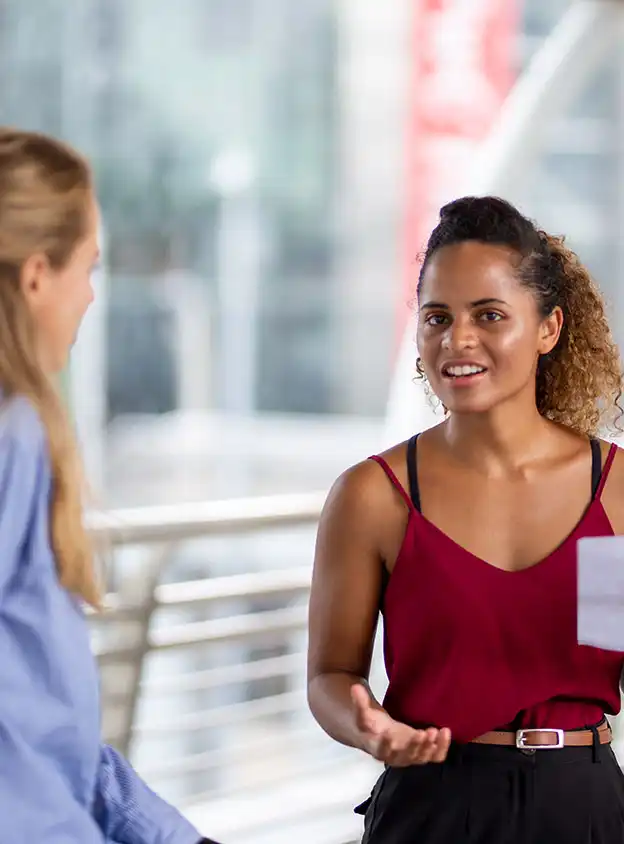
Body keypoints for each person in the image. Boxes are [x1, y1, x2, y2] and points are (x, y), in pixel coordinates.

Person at [307, 195, 624, 843]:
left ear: (549, 329)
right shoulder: (375, 496)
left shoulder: (613, 490)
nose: (458, 339)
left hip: (583, 806)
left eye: (489, 315)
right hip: (432, 807)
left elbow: (600, 645)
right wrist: (369, 726)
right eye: (437, 317)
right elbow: (330, 676)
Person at [0, 128, 221, 843]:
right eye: (88, 268)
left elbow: (54, 746)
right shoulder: (14, 433)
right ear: (38, 275)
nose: (91, 296)